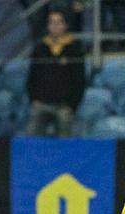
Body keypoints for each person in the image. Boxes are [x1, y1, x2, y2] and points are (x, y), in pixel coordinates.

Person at [25, 9, 85, 138]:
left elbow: (80, 80)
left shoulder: (75, 49)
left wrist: (72, 105)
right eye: (52, 22)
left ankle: (64, 159)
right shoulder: (40, 48)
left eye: (59, 22)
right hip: (41, 103)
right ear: (47, 26)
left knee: (64, 140)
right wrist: (33, 99)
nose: (55, 26)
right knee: (32, 137)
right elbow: (32, 77)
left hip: (64, 105)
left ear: (65, 25)